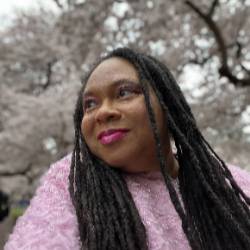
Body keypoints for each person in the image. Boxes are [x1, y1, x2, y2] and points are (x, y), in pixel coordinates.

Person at [4, 47, 250, 250]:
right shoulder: (71, 180)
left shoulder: (232, 185)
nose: (103, 112)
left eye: (123, 92)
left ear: (168, 106)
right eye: (90, 104)